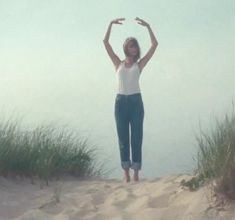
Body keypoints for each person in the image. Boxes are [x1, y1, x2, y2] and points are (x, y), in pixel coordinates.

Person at [103, 17, 158, 182]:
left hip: (135, 102)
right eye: (131, 46)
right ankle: (125, 171)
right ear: (126, 48)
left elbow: (154, 45)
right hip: (120, 103)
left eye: (135, 46)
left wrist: (148, 26)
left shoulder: (139, 65)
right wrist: (110, 24)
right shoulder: (117, 63)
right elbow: (105, 42)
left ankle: (136, 172)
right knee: (122, 137)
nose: (133, 48)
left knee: (136, 137)